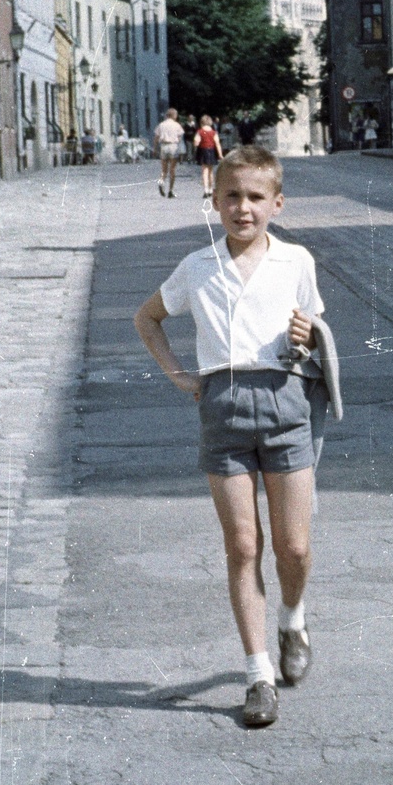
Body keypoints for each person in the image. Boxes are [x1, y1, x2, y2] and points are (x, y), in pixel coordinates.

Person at [134, 146, 327, 729]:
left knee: (293, 548)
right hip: (221, 409)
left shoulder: (296, 261)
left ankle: (292, 618)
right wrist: (180, 376)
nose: (244, 209)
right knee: (244, 546)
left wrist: (308, 333)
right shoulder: (197, 267)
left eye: (256, 198)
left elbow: (315, 330)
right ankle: (257, 675)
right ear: (214, 201)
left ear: (277, 204)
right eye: (232, 197)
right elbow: (147, 318)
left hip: (285, 404)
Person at [153, 107, 185, 198]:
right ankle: (170, 190)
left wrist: (155, 149)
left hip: (163, 146)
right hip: (173, 146)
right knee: (172, 169)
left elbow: (156, 138)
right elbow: (179, 138)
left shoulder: (161, 125)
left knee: (164, 169)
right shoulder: (177, 125)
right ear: (174, 115)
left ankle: (161, 181)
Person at [194, 114, 222, 196]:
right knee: (211, 171)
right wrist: (220, 154)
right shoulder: (214, 132)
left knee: (204, 171)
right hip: (212, 151)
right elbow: (217, 143)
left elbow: (196, 143)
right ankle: (210, 189)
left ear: (201, 123)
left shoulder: (199, 131)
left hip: (203, 151)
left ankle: (205, 189)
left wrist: (196, 143)